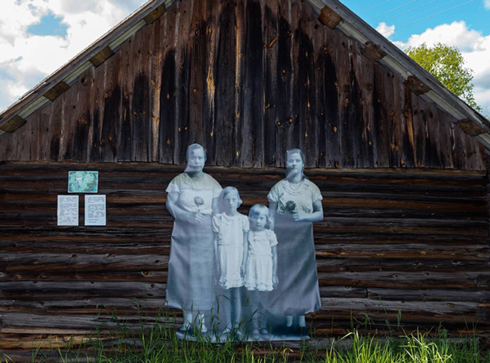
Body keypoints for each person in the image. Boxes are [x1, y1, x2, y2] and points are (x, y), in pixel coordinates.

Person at [165, 143, 222, 334]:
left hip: (206, 234)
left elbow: (217, 209)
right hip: (185, 233)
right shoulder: (178, 181)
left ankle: (202, 318)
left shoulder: (212, 183)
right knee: (185, 274)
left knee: (204, 275)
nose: (197, 161)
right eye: (193, 157)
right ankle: (187, 318)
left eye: (200, 157)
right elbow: (170, 204)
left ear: (205, 159)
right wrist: (187, 216)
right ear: (187, 158)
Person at [267, 149, 323, 335]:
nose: (293, 164)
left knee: (302, 278)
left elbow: (320, 214)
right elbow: (271, 217)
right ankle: (287, 318)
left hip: (303, 240)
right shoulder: (278, 188)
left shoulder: (311, 188)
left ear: (302, 164)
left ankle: (300, 319)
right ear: (287, 164)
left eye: (297, 161)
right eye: (290, 161)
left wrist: (305, 216)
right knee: (285, 277)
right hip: (284, 240)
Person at [212, 187, 249, 336]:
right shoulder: (218, 219)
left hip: (238, 256)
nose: (231, 202)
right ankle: (227, 326)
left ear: (238, 201)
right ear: (223, 201)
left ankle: (237, 327)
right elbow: (215, 243)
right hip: (224, 256)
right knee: (226, 292)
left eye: (234, 199)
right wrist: (217, 263)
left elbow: (246, 243)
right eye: (227, 199)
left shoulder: (243, 219)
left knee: (236, 294)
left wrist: (244, 263)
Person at [243, 204, 278, 338]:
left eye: (262, 218)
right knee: (254, 300)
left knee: (264, 301)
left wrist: (274, 274)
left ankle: (263, 326)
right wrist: (244, 269)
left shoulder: (270, 234)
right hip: (252, 268)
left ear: (266, 220)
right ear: (250, 218)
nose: (258, 221)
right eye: (255, 218)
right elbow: (245, 253)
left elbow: (275, 255)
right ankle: (254, 327)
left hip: (266, 269)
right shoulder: (249, 234)